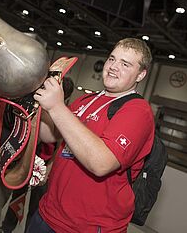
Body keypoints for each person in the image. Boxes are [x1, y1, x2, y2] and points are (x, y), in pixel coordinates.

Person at [27, 38, 155, 233]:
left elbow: (101, 164)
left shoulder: (138, 110)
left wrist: (57, 106)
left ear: (141, 74)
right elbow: (49, 136)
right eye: (112, 59)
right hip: (47, 214)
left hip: (87, 227)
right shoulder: (86, 100)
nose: (113, 67)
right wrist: (40, 105)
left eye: (125, 64)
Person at [0, 77, 74, 233]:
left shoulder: (65, 115)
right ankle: (7, 227)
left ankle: (25, 229)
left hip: (42, 168)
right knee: (18, 199)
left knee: (35, 206)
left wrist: (48, 169)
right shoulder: (40, 107)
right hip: (28, 162)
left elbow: (60, 146)